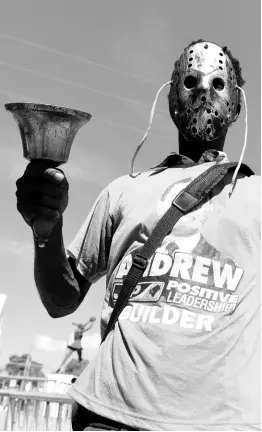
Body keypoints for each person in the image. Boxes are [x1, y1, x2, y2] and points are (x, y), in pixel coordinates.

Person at [15, 39, 260, 431]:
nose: (202, 90)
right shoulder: (123, 190)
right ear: (170, 100)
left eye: (217, 83)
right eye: (190, 80)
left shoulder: (257, 196)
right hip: (109, 416)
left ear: (236, 103)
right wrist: (46, 230)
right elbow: (60, 301)